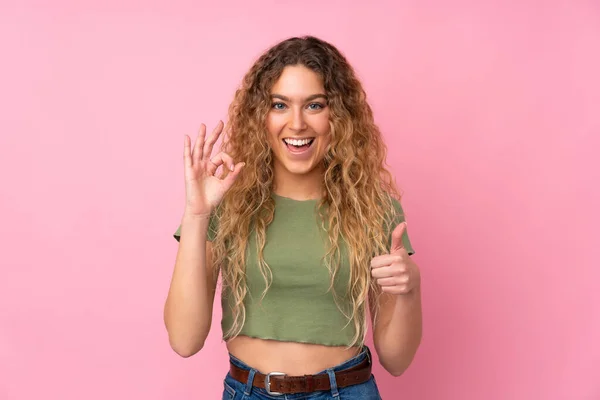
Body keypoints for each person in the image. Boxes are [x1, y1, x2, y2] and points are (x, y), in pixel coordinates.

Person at [164, 35, 422, 399]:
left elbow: (397, 360)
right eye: (280, 105)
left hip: (346, 391)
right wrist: (196, 216)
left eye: (314, 105)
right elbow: (184, 339)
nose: (297, 123)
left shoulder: (374, 208)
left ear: (339, 115)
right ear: (260, 115)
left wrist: (411, 287)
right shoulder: (226, 202)